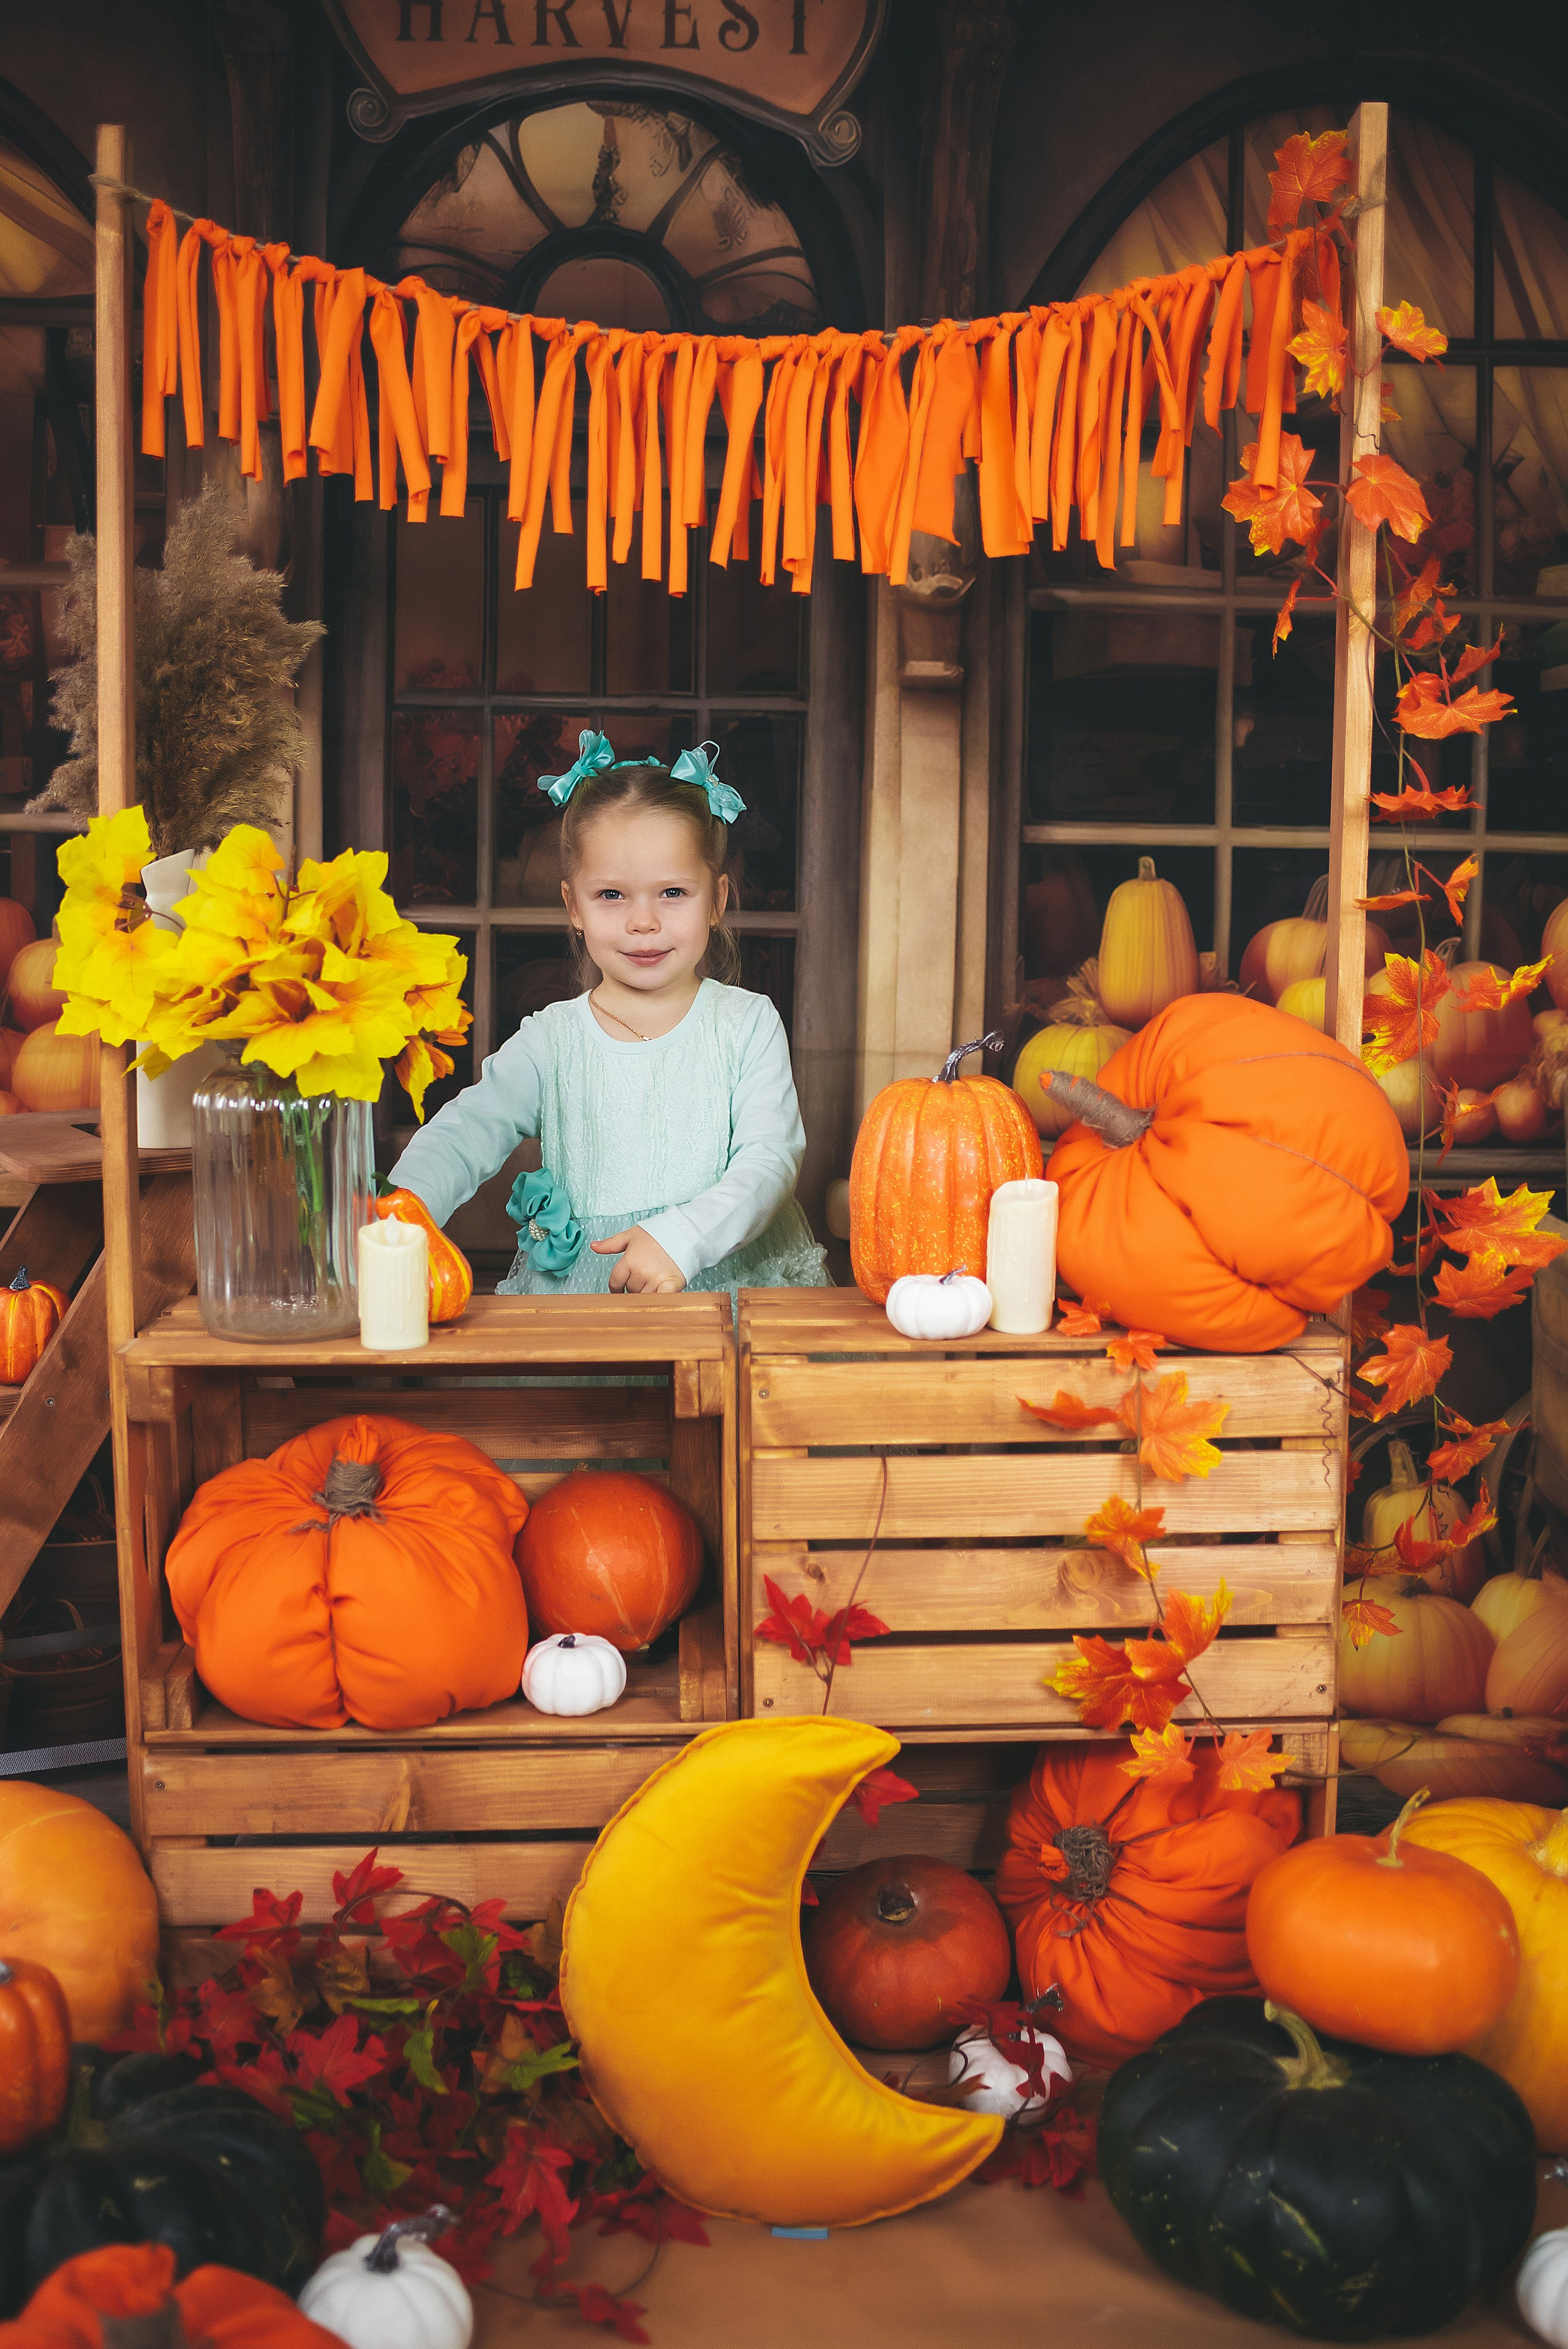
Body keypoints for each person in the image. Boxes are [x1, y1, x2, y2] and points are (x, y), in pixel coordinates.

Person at [387, 731, 831, 1299]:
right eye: (612, 896)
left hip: (729, 1287)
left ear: (717, 901)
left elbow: (770, 1161)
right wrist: (404, 1205)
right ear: (573, 905)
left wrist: (682, 1238)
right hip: (589, 1295)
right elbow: (466, 1130)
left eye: (673, 892)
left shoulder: (746, 1024)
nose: (643, 922)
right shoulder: (551, 1041)